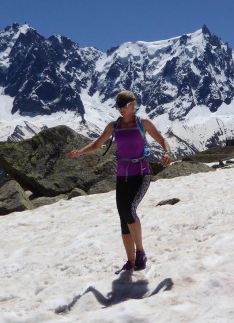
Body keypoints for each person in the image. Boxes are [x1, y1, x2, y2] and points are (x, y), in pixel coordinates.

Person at [68, 90, 173, 273]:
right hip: (122, 176)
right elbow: (97, 144)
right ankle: (131, 262)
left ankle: (140, 252)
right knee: (123, 218)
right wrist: (81, 152)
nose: (120, 110)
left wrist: (167, 153)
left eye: (123, 106)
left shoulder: (143, 124)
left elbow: (162, 140)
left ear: (133, 104)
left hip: (141, 174)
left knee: (129, 210)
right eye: (118, 106)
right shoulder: (114, 126)